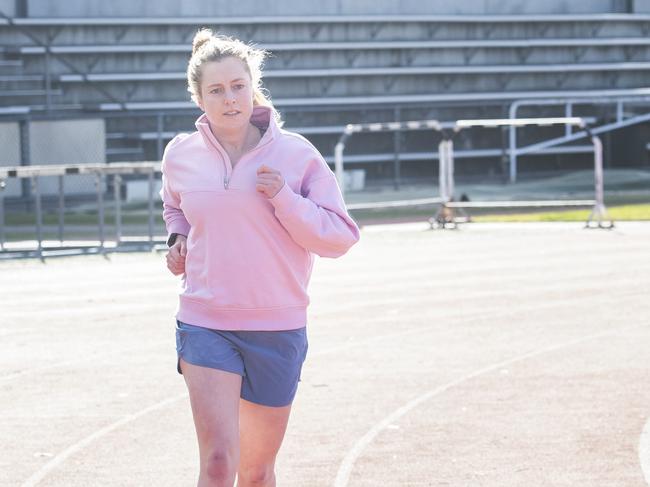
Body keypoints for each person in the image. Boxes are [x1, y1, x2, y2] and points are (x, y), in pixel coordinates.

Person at [159, 28, 360, 487]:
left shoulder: (295, 155)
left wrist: (286, 198)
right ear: (198, 98)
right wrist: (177, 237)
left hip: (277, 327)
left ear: (253, 87)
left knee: (255, 473)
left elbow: (339, 238)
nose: (230, 99)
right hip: (205, 319)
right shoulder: (180, 155)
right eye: (216, 90)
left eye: (238, 86)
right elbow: (175, 205)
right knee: (216, 463)